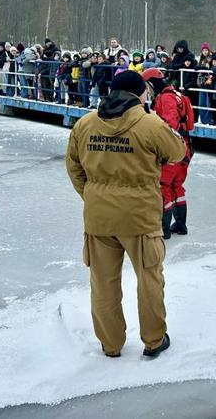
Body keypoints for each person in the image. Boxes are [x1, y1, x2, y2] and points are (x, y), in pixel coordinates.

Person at [65, 69, 185, 358]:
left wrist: (94, 195)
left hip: (99, 218)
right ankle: (154, 340)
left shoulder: (85, 124)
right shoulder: (149, 124)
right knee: (149, 279)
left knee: (103, 283)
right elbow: (177, 152)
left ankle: (111, 344)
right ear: (140, 93)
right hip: (140, 217)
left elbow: (74, 167)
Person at [144, 68, 195, 238]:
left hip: (173, 149)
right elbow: (188, 123)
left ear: (151, 83)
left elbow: (169, 124)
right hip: (185, 146)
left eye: (147, 86)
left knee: (163, 185)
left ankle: (164, 228)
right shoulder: (177, 95)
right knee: (177, 185)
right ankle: (180, 224)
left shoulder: (165, 98)